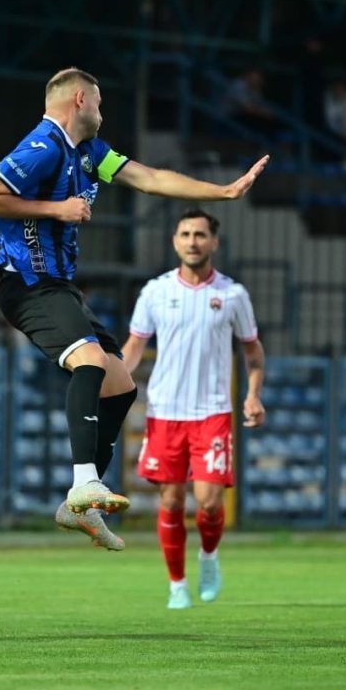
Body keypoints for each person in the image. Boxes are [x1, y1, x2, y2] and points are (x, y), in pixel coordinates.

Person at [0, 67, 268, 551]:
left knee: (120, 384)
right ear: (82, 100)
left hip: (60, 288)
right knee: (89, 360)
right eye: (102, 103)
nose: (105, 113)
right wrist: (58, 209)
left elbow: (148, 178)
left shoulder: (89, 154)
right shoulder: (43, 145)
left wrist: (224, 192)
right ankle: (83, 482)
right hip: (27, 285)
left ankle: (79, 506)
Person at [121, 209, 265, 609]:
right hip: (165, 410)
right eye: (185, 233)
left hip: (212, 412)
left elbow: (252, 351)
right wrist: (110, 381)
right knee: (170, 501)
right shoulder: (154, 291)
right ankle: (177, 584)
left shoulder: (233, 295)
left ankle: (208, 556)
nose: (192, 241)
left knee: (209, 501)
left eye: (200, 234)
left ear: (214, 242)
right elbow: (134, 345)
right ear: (175, 241)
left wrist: (253, 394)